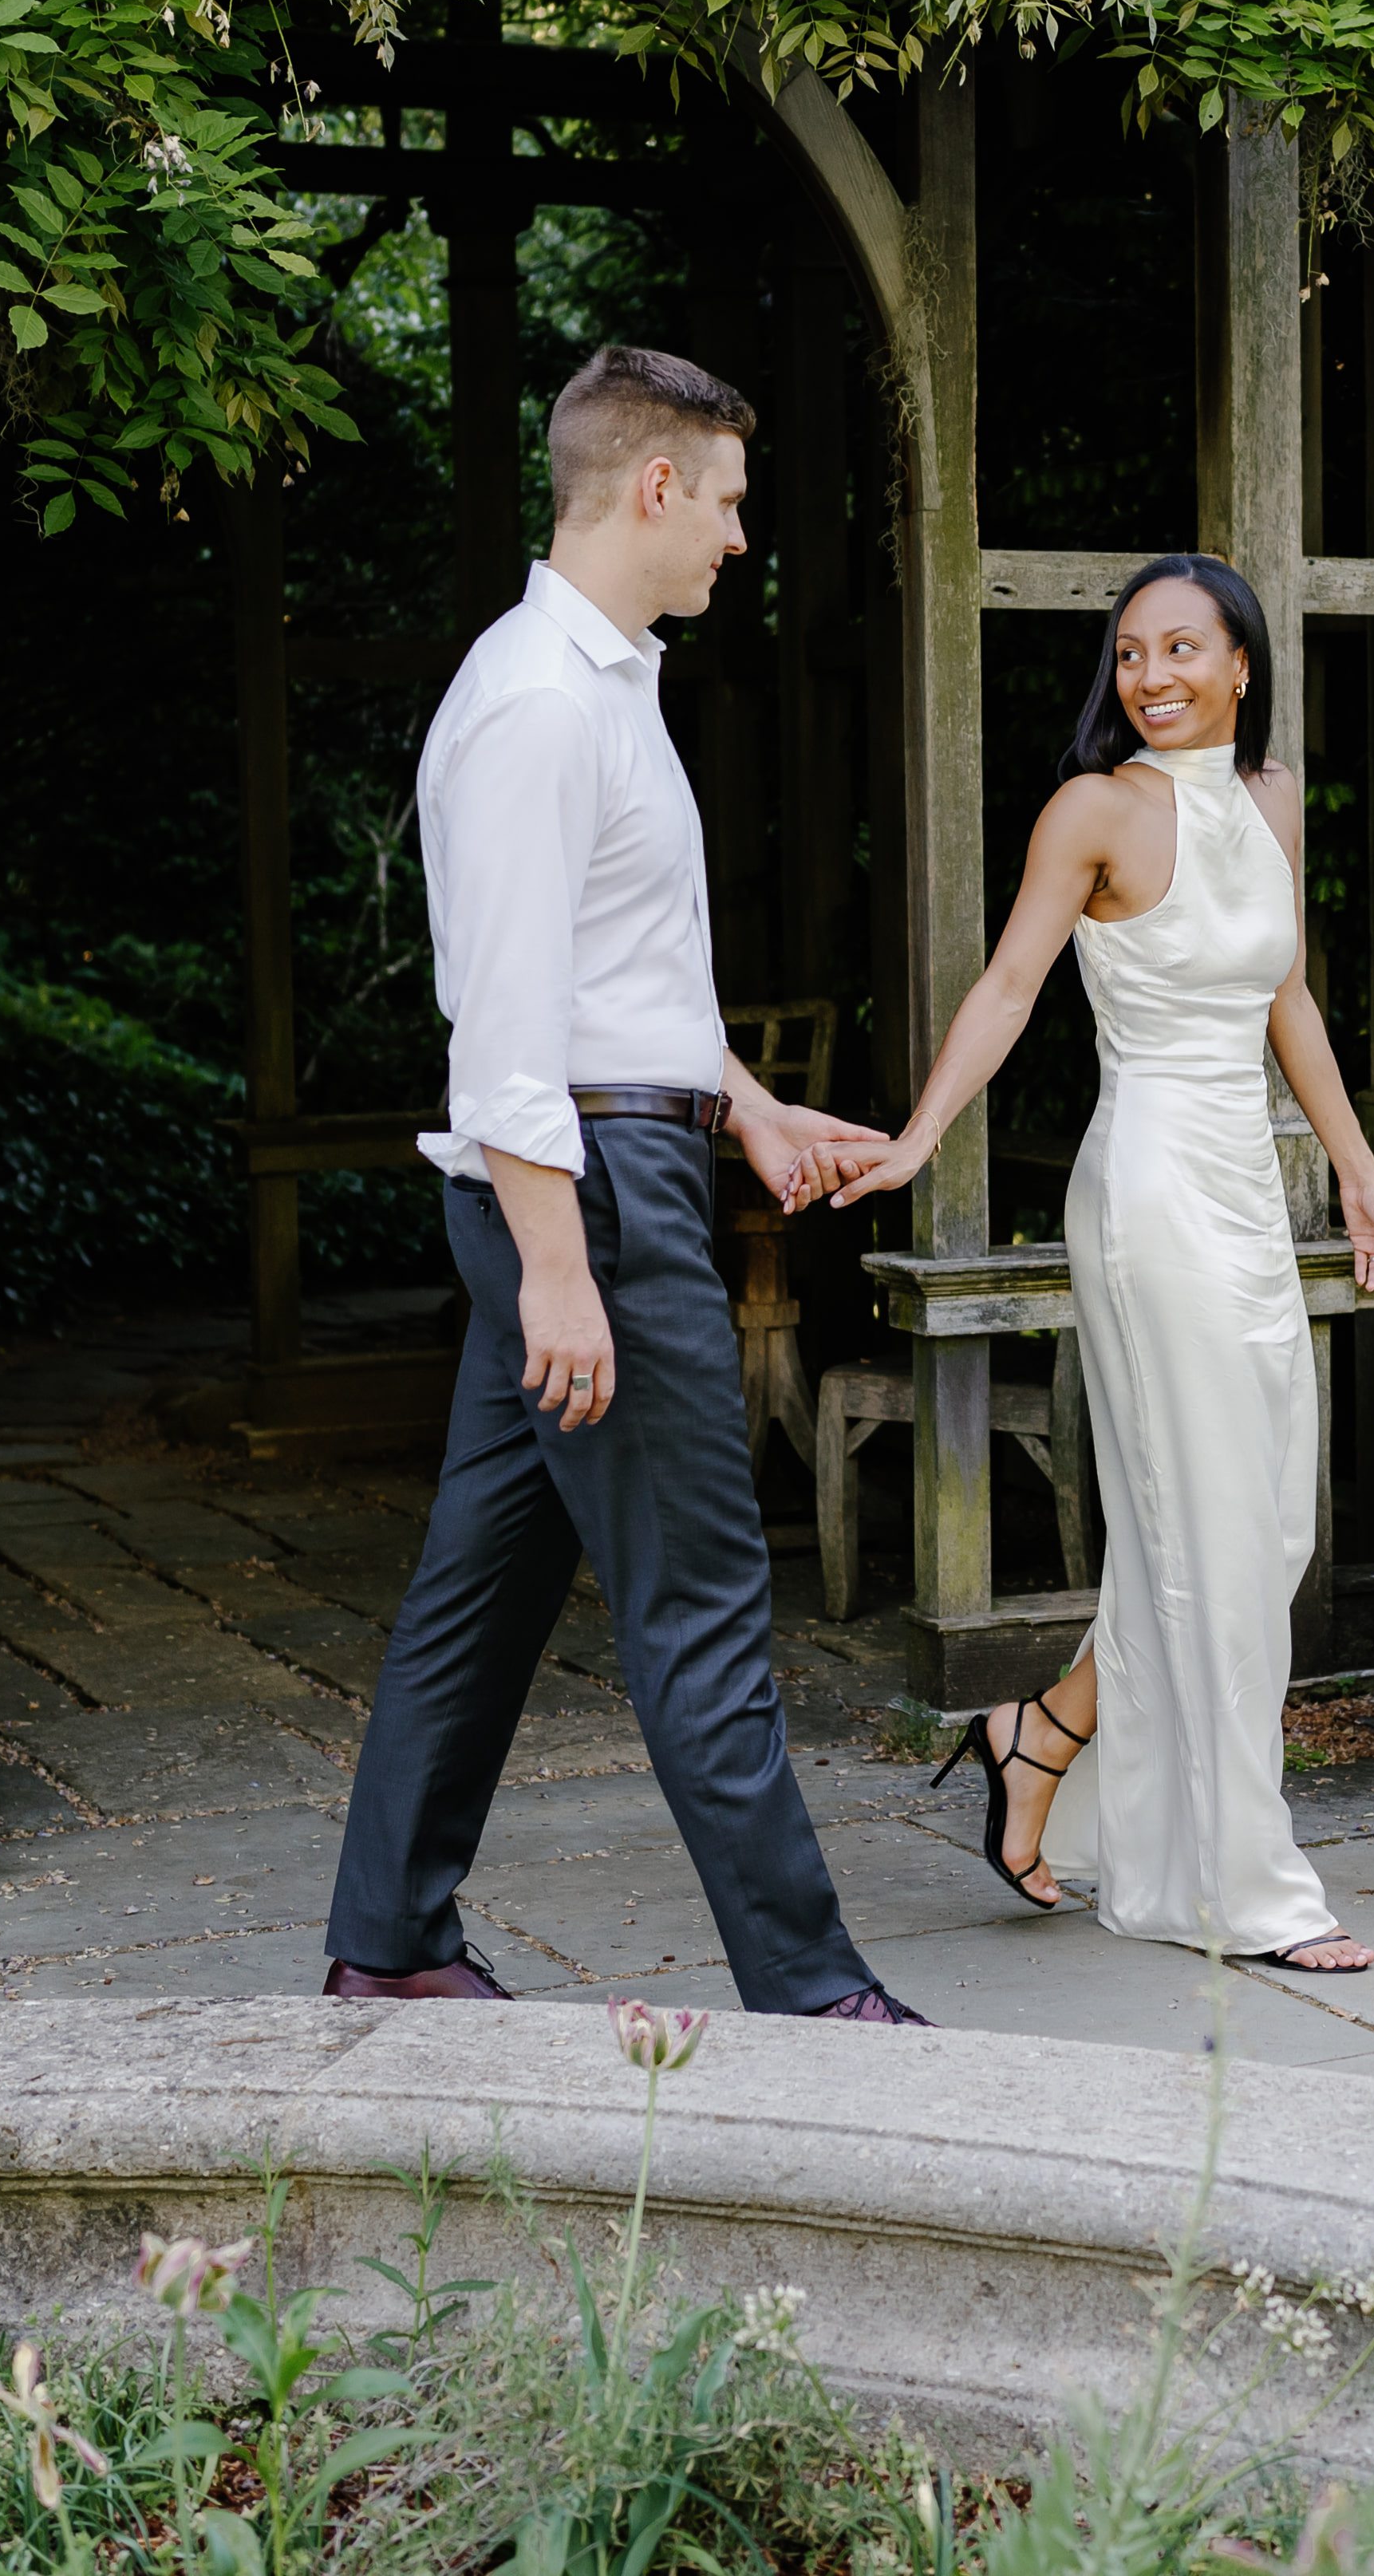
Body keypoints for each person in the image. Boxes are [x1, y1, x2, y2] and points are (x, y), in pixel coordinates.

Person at [322, 343, 927, 2024]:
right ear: (654, 485)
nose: (743, 535)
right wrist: (562, 1269)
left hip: (608, 1162)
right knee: (705, 1594)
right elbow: (509, 1031)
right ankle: (817, 1999)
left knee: (485, 1577)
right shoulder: (531, 702)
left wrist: (747, 1110)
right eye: (730, 501)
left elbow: (617, 978)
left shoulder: (602, 686)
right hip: (578, 1190)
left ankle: (388, 1942)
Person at [820, 554, 1374, 1974]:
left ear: (1242, 665)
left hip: (1247, 1194)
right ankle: (1250, 1891)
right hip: (1147, 1188)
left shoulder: (1269, 799)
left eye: (1181, 651)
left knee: (1258, 1528)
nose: (1151, 678)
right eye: (1130, 655)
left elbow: (1290, 999)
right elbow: (1012, 984)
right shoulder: (1093, 810)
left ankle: (1046, 1732)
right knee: (1206, 1529)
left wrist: (1363, 1170)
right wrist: (913, 1142)